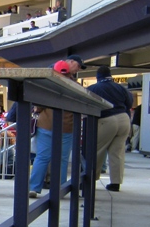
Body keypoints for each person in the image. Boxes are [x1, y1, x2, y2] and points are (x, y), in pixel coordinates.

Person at [28, 60, 76, 198]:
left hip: (46, 125)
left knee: (42, 157)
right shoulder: (74, 86)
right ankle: (59, 188)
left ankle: (34, 187)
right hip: (67, 127)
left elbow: (38, 106)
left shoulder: (48, 85)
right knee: (62, 159)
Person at [87, 65, 134, 192]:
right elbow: (129, 103)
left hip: (106, 119)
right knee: (117, 153)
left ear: (98, 77)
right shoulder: (121, 88)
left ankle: (90, 179)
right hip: (124, 119)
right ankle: (115, 183)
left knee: (97, 150)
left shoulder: (93, 88)